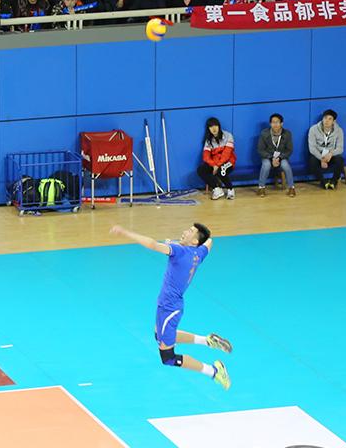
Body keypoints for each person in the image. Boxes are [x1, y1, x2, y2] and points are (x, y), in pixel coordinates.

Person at [109, 223, 232, 390]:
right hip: (168, 305)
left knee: (168, 358)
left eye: (190, 232)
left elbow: (152, 245)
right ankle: (208, 341)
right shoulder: (199, 253)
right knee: (158, 335)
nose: (185, 231)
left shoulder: (179, 251)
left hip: (169, 309)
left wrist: (125, 232)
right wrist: (180, 242)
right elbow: (209, 241)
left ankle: (214, 371)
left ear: (195, 240)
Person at [257, 113, 296, 198]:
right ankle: (261, 187)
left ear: (281, 123)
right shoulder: (264, 133)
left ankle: (291, 188)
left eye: (277, 122)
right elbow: (260, 150)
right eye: (273, 122)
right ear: (270, 124)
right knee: (266, 165)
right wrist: (271, 158)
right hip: (268, 157)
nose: (275, 124)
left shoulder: (287, 134)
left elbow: (289, 150)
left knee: (286, 165)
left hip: (281, 157)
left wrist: (280, 158)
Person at [197, 117, 236, 200]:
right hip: (215, 163)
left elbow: (227, 154)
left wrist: (217, 165)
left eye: (215, 125)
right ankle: (217, 189)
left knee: (221, 170)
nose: (213, 128)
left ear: (219, 126)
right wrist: (213, 165)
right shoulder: (208, 141)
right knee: (201, 170)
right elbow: (206, 156)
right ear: (208, 129)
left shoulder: (228, 136)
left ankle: (230, 189)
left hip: (229, 162)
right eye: (211, 127)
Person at [308, 109, 345, 190]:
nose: (326, 121)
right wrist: (322, 159)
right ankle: (323, 182)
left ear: (334, 121)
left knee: (340, 160)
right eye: (325, 118)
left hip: (330, 155)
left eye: (329, 119)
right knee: (312, 161)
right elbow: (312, 148)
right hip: (319, 155)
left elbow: (340, 148)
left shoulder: (339, 131)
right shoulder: (313, 129)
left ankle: (333, 181)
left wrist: (331, 154)